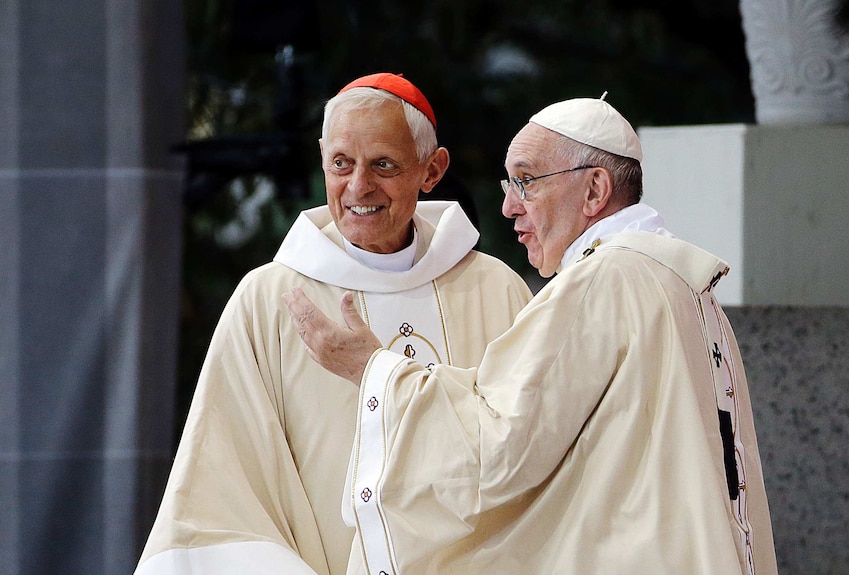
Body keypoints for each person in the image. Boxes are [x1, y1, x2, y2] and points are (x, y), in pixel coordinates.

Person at [285, 94, 779, 574]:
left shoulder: (601, 282)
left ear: (594, 191)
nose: (508, 207)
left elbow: (499, 448)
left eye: (525, 182)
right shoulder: (682, 284)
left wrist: (375, 371)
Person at [134, 72, 533, 575]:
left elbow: (531, 456)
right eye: (341, 164)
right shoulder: (268, 301)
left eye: (383, 164)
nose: (358, 186)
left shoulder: (495, 292)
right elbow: (223, 486)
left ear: (431, 171)